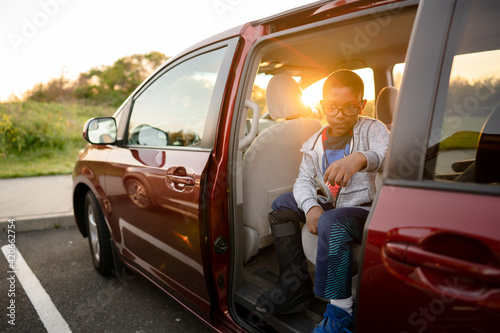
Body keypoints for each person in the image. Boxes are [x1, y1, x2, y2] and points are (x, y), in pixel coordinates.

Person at [255, 69, 390, 332]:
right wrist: (311, 207)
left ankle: (340, 314)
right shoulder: (313, 142)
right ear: (322, 106)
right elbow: (303, 181)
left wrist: (360, 158)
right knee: (282, 204)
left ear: (361, 105)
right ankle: (293, 286)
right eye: (332, 107)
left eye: (350, 107)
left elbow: (386, 153)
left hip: (367, 212)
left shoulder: (373, 129)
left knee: (332, 221)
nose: (340, 115)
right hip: (334, 204)